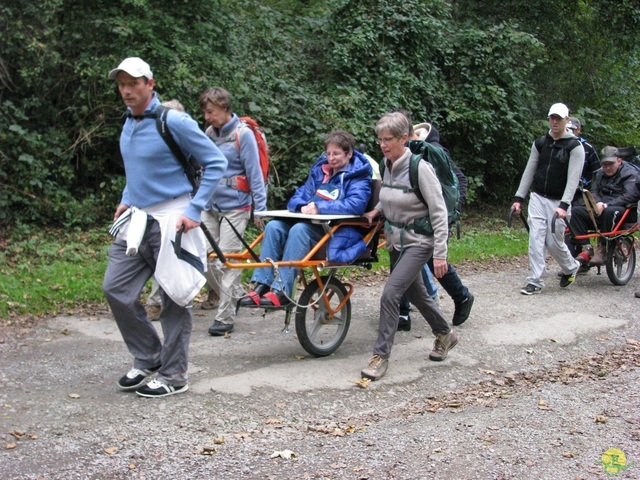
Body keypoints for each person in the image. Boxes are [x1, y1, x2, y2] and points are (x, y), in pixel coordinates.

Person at [103, 57, 227, 397]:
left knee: (174, 296)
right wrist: (126, 197)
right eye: (122, 84)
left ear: (150, 84)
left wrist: (195, 208)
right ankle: (149, 356)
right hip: (139, 218)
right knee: (116, 288)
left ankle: (174, 374)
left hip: (174, 217)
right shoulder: (128, 123)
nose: (127, 90)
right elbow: (136, 171)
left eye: (134, 83)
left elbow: (216, 162)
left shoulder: (173, 121)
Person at [361, 112, 458, 381]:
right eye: (380, 139)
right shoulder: (387, 163)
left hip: (419, 242)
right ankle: (445, 334)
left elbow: (439, 212)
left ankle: (380, 357)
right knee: (416, 294)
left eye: (388, 139)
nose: (383, 144)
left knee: (391, 293)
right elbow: (391, 195)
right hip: (396, 242)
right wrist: (376, 211)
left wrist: (440, 253)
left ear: (404, 138)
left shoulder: (420, 168)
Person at [238, 130, 372, 308]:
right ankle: (262, 283)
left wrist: (319, 207)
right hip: (313, 225)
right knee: (274, 227)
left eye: (336, 154)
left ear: (349, 154)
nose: (331, 158)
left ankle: (283, 290)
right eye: (328, 153)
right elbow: (296, 197)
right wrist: (302, 206)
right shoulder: (320, 172)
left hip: (336, 230)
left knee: (298, 230)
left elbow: (356, 205)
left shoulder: (359, 176)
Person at [198, 87, 268, 336]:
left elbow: (255, 175)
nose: (207, 117)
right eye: (205, 112)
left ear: (225, 108)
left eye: (211, 112)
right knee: (205, 258)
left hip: (236, 207)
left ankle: (225, 316)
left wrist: (260, 210)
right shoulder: (209, 133)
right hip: (209, 205)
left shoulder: (243, 135)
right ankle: (236, 294)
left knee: (228, 261)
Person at [396, 118, 475, 331]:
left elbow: (459, 179)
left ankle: (462, 296)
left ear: (405, 134)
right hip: (412, 217)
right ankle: (402, 313)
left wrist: (451, 212)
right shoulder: (402, 152)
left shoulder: (433, 150)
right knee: (404, 258)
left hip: (434, 217)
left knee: (433, 262)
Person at [512, 103, 584, 295]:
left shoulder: (574, 147)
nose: (555, 122)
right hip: (537, 196)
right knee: (535, 239)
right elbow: (530, 170)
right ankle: (535, 280)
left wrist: (564, 205)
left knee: (554, 242)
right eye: (552, 118)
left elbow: (573, 179)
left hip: (558, 201)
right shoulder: (541, 143)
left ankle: (570, 267)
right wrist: (519, 198)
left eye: (559, 118)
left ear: (566, 120)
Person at [145, 99, 186, 322]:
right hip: (154, 212)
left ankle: (171, 302)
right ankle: (155, 302)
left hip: (182, 211)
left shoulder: (186, 144)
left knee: (204, 261)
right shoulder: (153, 143)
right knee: (161, 257)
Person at [570, 146, 640, 265]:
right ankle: (586, 248)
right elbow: (594, 190)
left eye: (610, 164)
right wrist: (597, 203)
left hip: (624, 210)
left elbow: (630, 195)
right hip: (601, 210)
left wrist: (606, 205)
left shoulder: (630, 174)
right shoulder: (600, 174)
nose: (607, 168)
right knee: (576, 211)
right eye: (604, 164)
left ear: (619, 160)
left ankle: (603, 248)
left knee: (610, 211)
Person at [565, 116, 601, 258]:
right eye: (568, 129)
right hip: (562, 192)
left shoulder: (587, 148)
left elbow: (598, 173)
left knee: (575, 216)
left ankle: (585, 250)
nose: (570, 132)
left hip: (581, 193)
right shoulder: (560, 146)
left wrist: (594, 193)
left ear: (579, 130)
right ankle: (571, 259)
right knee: (563, 224)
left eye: (573, 129)